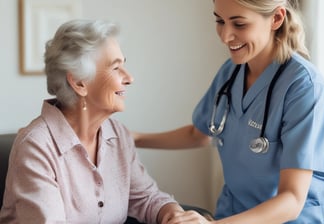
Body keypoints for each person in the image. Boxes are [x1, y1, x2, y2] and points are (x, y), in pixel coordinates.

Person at [133, 0, 324, 223]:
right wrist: (133, 138)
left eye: (239, 24)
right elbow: (199, 134)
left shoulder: (303, 87)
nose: (225, 36)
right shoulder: (231, 72)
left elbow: (292, 199)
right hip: (233, 213)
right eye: (220, 21)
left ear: (276, 18)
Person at [0, 19, 209, 224]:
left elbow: (146, 198)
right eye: (116, 68)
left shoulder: (118, 135)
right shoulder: (35, 146)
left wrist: (175, 216)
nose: (129, 78)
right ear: (80, 82)